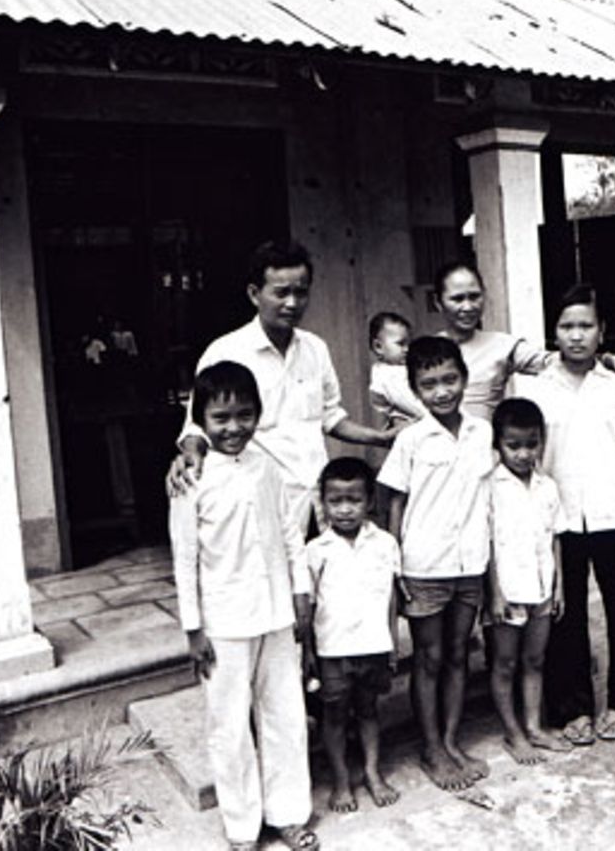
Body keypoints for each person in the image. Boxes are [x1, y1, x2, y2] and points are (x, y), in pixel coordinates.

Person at [168, 361, 319, 851]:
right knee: (229, 725)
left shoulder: (266, 466)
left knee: (285, 715)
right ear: (201, 421)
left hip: (276, 612)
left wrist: (300, 592)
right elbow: (185, 559)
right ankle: (241, 827)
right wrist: (194, 629)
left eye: (245, 415)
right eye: (221, 418)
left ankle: (289, 813)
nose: (234, 428)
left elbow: (291, 532)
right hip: (224, 621)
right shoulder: (190, 480)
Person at [167, 241, 395, 535]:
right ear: (254, 294)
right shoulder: (225, 352)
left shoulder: (315, 348)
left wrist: (380, 437)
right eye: (281, 293)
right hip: (259, 502)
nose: (292, 303)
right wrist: (188, 457)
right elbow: (197, 427)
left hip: (315, 501)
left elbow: (330, 416)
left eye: (300, 292)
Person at [519, 284, 615, 747]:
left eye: (585, 326)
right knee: (565, 616)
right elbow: (532, 457)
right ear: (553, 333)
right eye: (567, 326)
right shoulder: (536, 389)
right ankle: (573, 707)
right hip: (561, 521)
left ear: (602, 332)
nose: (576, 336)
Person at [376, 336, 494, 792]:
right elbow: (394, 504)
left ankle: (450, 740)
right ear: (416, 390)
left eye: (450, 379)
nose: (442, 391)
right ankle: (430, 747)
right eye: (430, 384)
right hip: (424, 566)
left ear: (464, 379)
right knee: (429, 657)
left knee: (460, 654)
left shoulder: (482, 432)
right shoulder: (410, 440)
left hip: (471, 564)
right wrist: (396, 567)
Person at [431, 262, 615, 421]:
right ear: (438, 302)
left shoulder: (503, 346)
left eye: (474, 296)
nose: (468, 307)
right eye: (458, 299)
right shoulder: (423, 352)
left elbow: (559, 360)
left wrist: (607, 359)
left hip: (484, 459)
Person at [305, 457, 401, 814]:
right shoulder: (315, 551)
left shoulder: (385, 543)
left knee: (369, 710)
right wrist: (310, 655)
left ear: (370, 501)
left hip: (374, 646)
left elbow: (390, 598)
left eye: (354, 500)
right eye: (335, 501)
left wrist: (391, 643)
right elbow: (310, 607)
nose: (345, 509)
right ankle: (342, 780)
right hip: (333, 650)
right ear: (323, 502)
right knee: (334, 716)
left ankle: (373, 773)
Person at [485, 397, 572, 764]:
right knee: (505, 663)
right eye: (513, 445)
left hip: (541, 589)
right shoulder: (490, 487)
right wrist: (495, 595)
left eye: (531, 444)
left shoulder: (547, 487)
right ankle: (513, 732)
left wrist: (559, 587)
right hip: (507, 591)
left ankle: (534, 727)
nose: (523, 453)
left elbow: (555, 538)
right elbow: (487, 544)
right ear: (498, 445)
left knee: (535, 659)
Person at [366, 311, 423, 427]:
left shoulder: (398, 368)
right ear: (378, 347)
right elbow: (407, 402)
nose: (407, 349)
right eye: (401, 344)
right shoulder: (387, 374)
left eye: (409, 344)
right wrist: (436, 418)